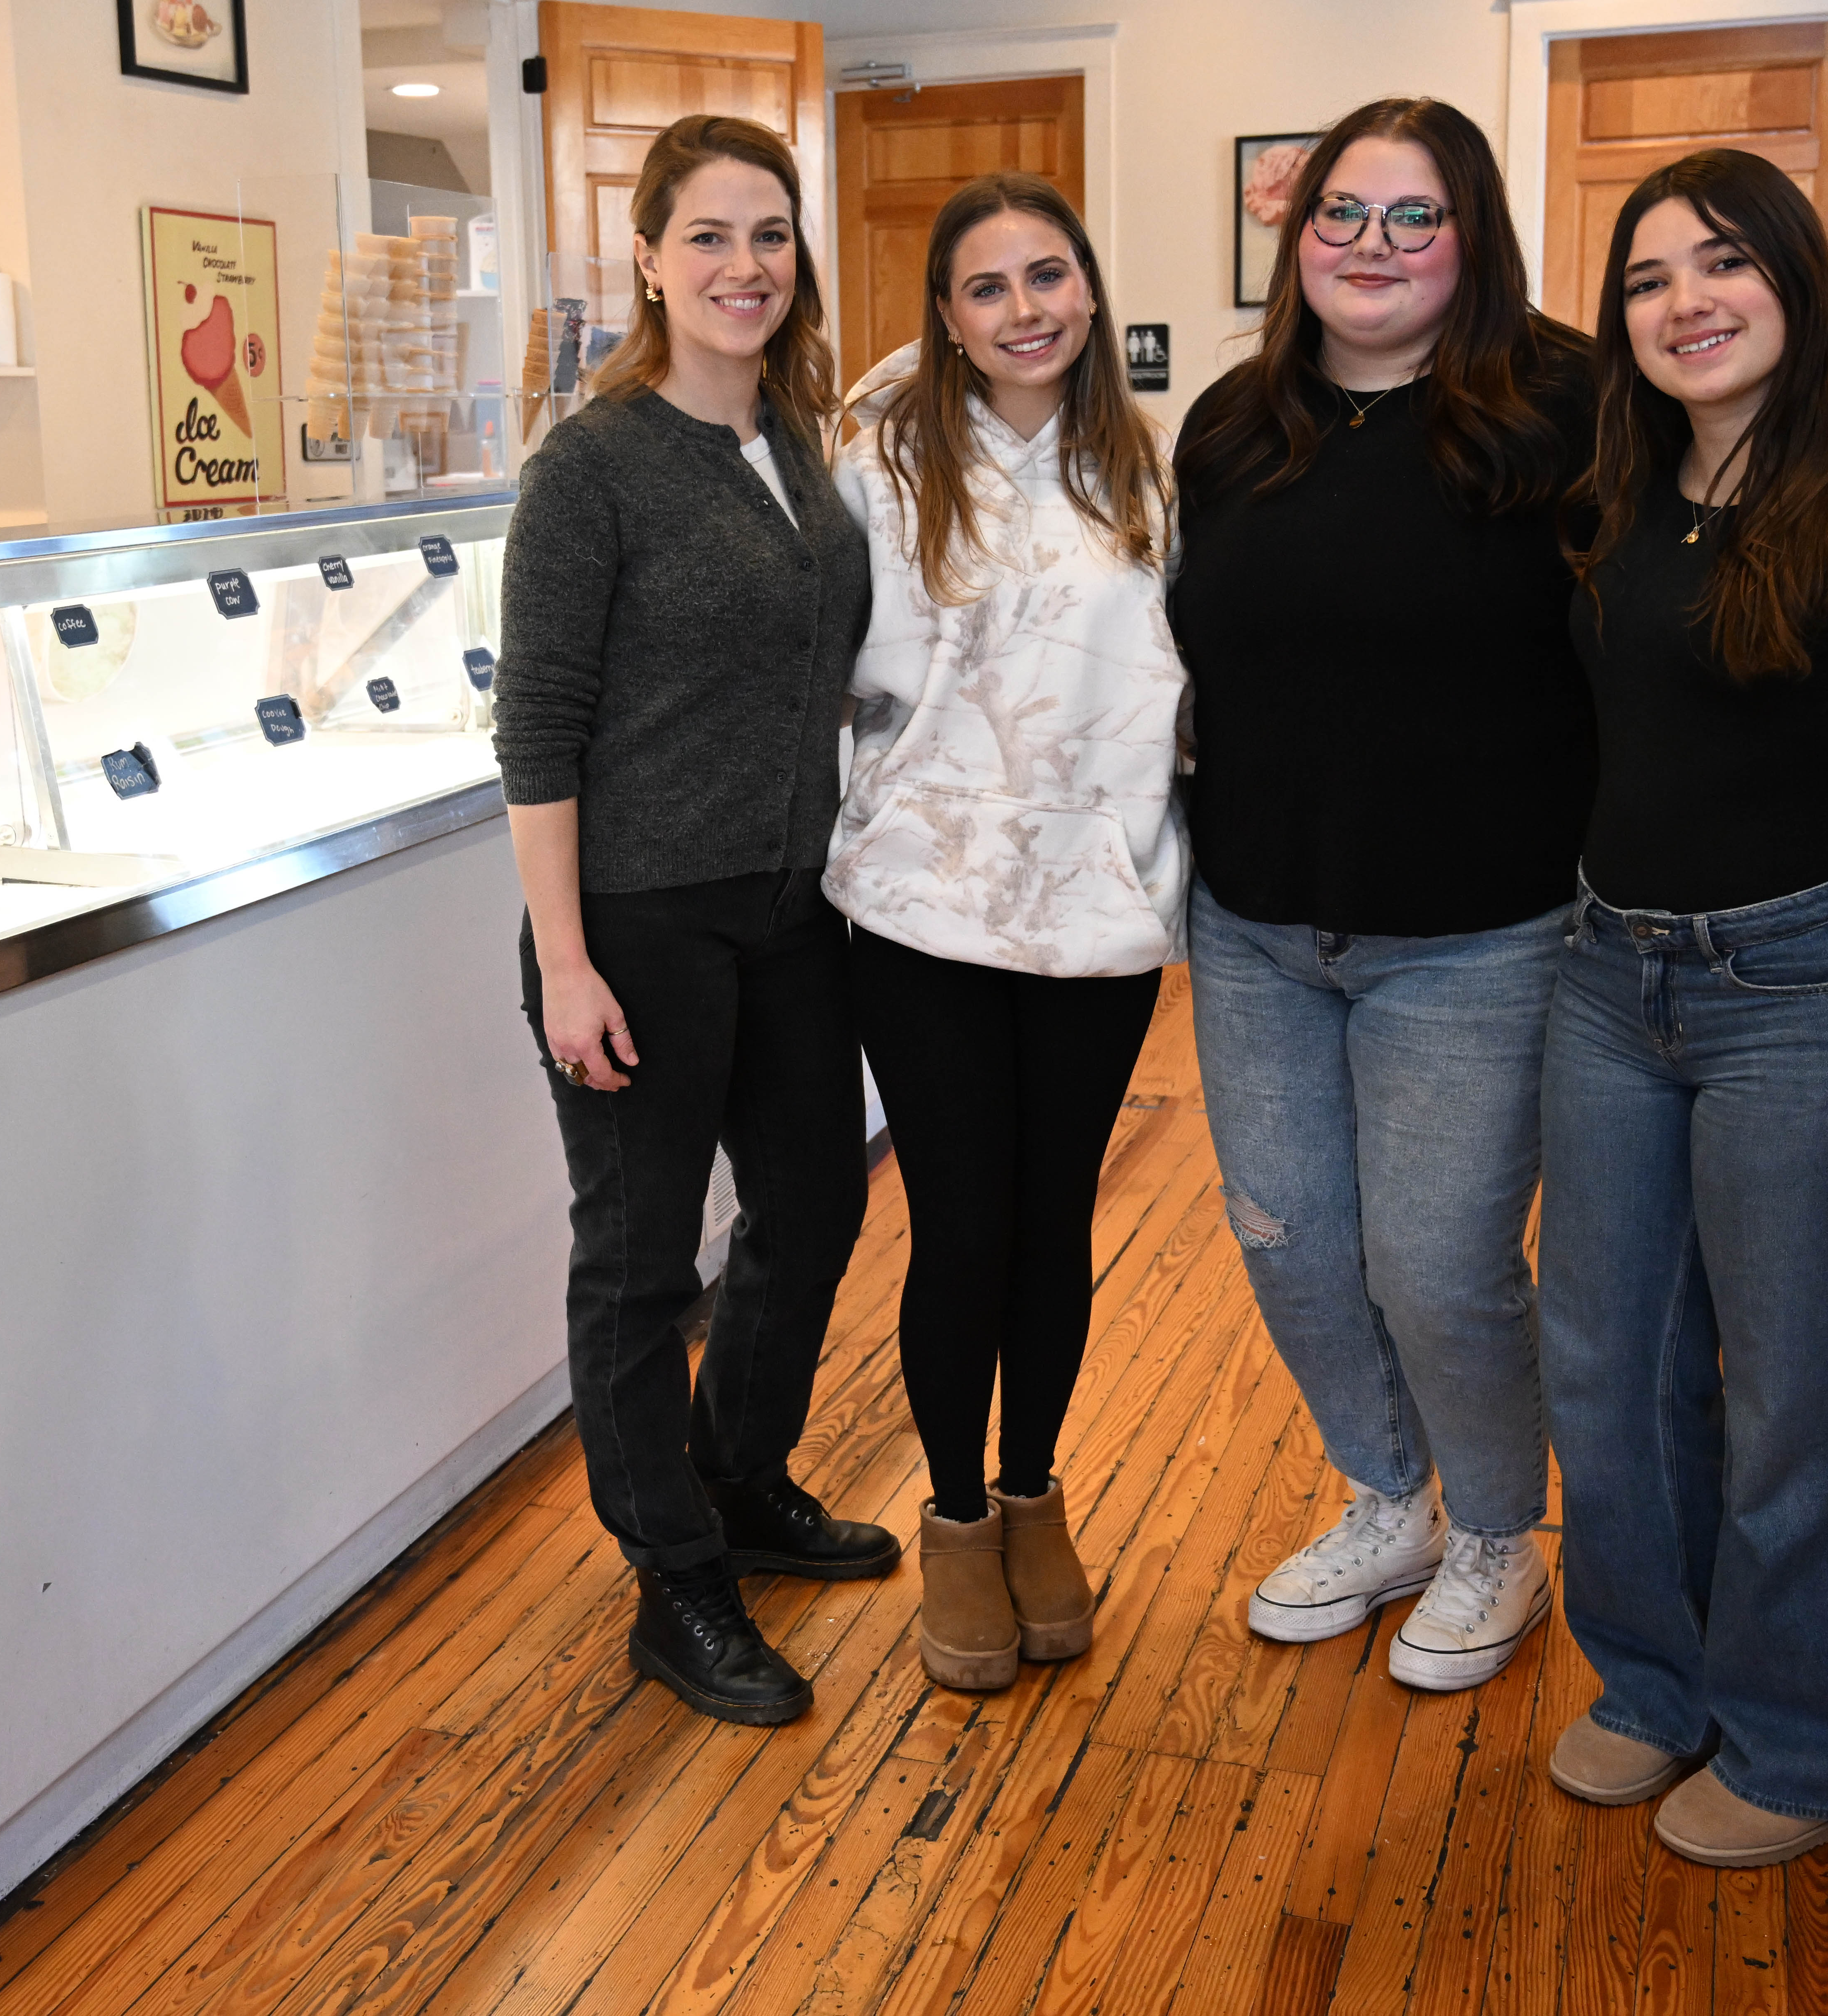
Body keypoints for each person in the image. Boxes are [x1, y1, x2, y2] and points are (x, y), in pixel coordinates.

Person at [1539, 149, 1828, 1865]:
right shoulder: (1619, 502)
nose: (1686, 302)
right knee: (1609, 1371)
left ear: (1796, 281)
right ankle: (1657, 1686)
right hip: (1610, 981)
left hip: (1805, 995)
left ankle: (1808, 1748)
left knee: (1797, 1395)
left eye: (1723, 262)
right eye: (1648, 278)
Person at [1169, 98, 1597, 1690]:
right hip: (1259, 925)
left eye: (1417, 216)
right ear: (1301, 235)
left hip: (1478, 936)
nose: (1374, 245)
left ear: (1472, 236)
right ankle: (1391, 1497)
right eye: (1344, 213)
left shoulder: (1568, 408)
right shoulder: (1233, 426)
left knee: (1437, 1264)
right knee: (1289, 1241)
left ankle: (1496, 1534)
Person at [491, 113, 892, 1729]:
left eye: (770, 235)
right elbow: (537, 727)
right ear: (648, 260)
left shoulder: (801, 445)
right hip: (637, 923)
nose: (745, 266)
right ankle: (673, 1576)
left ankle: (739, 1480)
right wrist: (566, 963)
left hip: (793, 909)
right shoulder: (591, 467)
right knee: (642, 1262)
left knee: (814, 1207)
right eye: (709, 237)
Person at [825, 174, 1186, 1693]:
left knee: (1053, 1224)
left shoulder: (1148, 469)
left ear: (1089, 289)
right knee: (963, 1223)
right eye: (988, 286)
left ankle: (1036, 1496)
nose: (1025, 309)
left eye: (1049, 275)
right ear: (948, 316)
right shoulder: (882, 461)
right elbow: (824, 670)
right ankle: (958, 1521)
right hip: (923, 901)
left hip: (1097, 905)